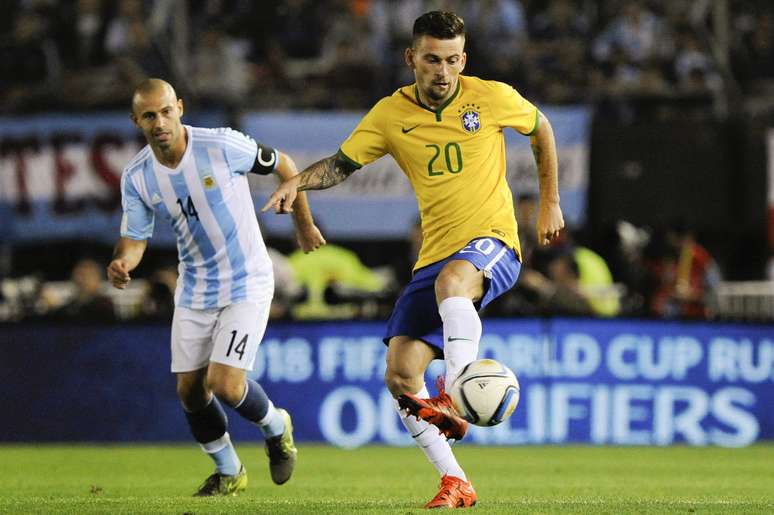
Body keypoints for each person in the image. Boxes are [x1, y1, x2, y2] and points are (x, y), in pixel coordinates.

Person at [263, 11, 564, 509]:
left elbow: (542, 128)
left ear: (463, 59)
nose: (442, 71)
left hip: (494, 243)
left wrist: (550, 201)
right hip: (436, 255)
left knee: (453, 284)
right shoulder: (390, 114)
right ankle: (456, 482)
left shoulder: (490, 96)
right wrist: (297, 182)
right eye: (431, 59)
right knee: (401, 374)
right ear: (411, 59)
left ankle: (459, 385)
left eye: (451, 60)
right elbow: (341, 165)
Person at [107, 78, 325, 496]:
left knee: (224, 384)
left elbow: (285, 165)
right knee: (190, 392)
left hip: (247, 279)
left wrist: (304, 223)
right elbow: (135, 239)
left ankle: (277, 428)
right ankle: (229, 472)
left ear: (181, 108)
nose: (160, 122)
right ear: (136, 121)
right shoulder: (137, 177)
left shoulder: (221, 145)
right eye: (149, 115)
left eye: (166, 111)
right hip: (194, 287)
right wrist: (122, 263)